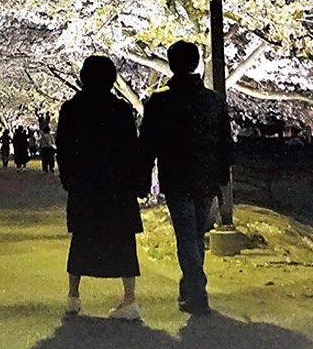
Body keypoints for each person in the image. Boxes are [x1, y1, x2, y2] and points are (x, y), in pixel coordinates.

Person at [138, 40, 232, 316]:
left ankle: (196, 289)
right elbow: (225, 143)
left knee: (187, 236)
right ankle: (191, 285)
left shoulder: (160, 102)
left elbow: (147, 145)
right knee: (196, 234)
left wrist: (142, 178)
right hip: (207, 178)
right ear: (195, 64)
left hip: (177, 176)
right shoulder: (214, 101)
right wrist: (223, 177)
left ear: (171, 64)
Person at [57, 56, 146, 320]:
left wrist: (69, 179)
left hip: (85, 184)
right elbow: (133, 148)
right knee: (122, 240)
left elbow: (64, 148)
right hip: (117, 185)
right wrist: (136, 181)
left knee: (82, 237)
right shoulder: (120, 109)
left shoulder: (72, 108)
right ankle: (129, 299)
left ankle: (74, 296)